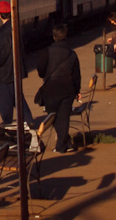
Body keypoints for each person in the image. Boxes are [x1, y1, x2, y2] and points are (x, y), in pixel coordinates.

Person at [36, 24, 81, 153]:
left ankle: (62, 146)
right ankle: (66, 143)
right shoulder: (72, 54)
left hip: (51, 89)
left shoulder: (47, 51)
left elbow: (40, 68)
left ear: (54, 36)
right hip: (68, 90)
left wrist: (44, 76)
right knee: (64, 117)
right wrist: (77, 90)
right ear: (65, 37)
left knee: (53, 116)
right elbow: (77, 75)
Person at [0, 0, 35, 126]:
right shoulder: (17, 27)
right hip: (17, 70)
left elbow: (1, 55)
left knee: (4, 103)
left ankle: (7, 124)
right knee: (18, 99)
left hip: (5, 73)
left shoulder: (1, 33)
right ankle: (29, 121)